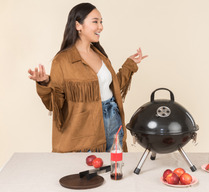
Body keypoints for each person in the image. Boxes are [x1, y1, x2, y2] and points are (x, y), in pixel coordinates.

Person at [28, 3, 147, 153]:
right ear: (78, 25)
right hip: (84, 130)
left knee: (115, 167)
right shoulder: (62, 60)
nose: (101, 27)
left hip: (113, 118)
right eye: (95, 21)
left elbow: (112, 87)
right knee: (89, 170)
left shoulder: (99, 54)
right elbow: (55, 104)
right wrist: (44, 82)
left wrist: (129, 65)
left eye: (101, 22)